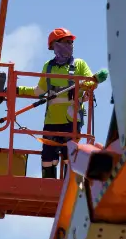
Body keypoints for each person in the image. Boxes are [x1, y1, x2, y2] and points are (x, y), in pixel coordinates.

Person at [17, 28, 97, 179]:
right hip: (52, 121)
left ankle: (68, 188)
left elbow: (90, 81)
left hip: (72, 121)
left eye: (71, 42)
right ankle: (49, 184)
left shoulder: (79, 64)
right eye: (67, 42)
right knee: (48, 157)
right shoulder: (48, 66)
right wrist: (18, 90)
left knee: (70, 155)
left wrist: (87, 84)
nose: (70, 45)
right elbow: (39, 91)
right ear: (55, 45)